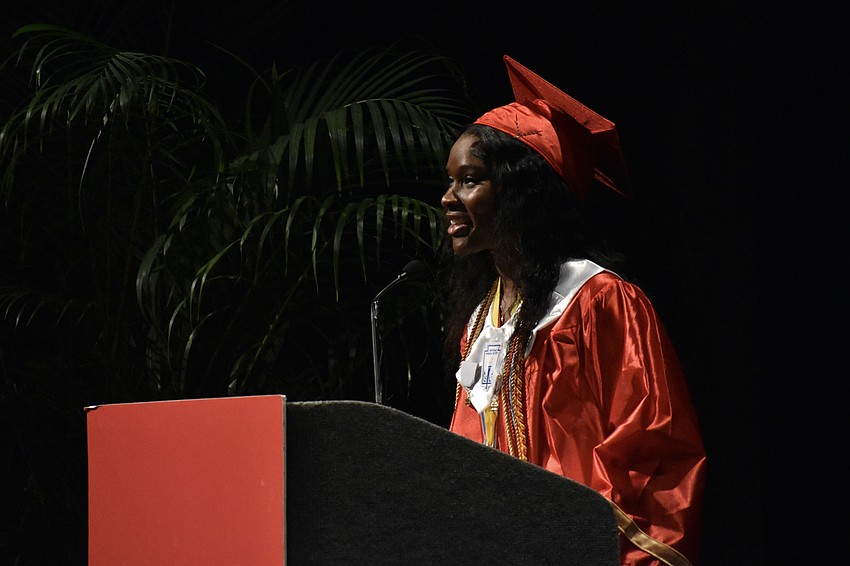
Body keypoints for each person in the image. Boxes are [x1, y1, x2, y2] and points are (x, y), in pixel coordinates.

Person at [439, 55, 706, 566]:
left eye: (469, 180)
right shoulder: (480, 323)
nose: (449, 198)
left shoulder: (599, 302)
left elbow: (653, 450)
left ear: (520, 193)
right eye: (450, 180)